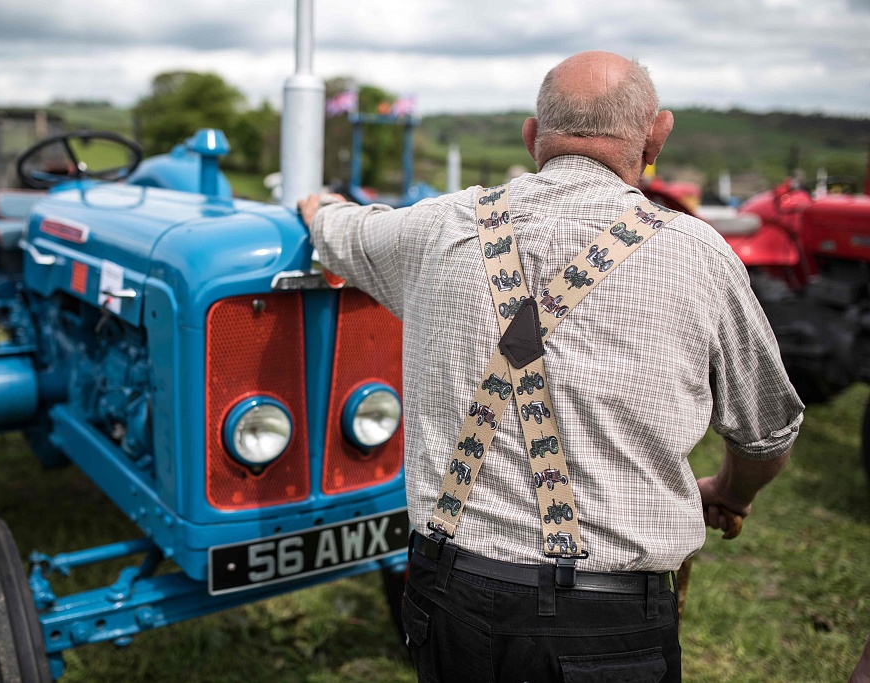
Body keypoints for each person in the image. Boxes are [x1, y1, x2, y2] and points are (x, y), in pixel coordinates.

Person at [299, 51, 802, 683]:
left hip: (448, 598)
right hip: (607, 624)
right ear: (656, 136)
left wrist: (317, 207)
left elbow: (340, 231)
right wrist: (730, 492)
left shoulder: (433, 228)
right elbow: (768, 434)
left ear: (533, 137)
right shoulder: (698, 255)